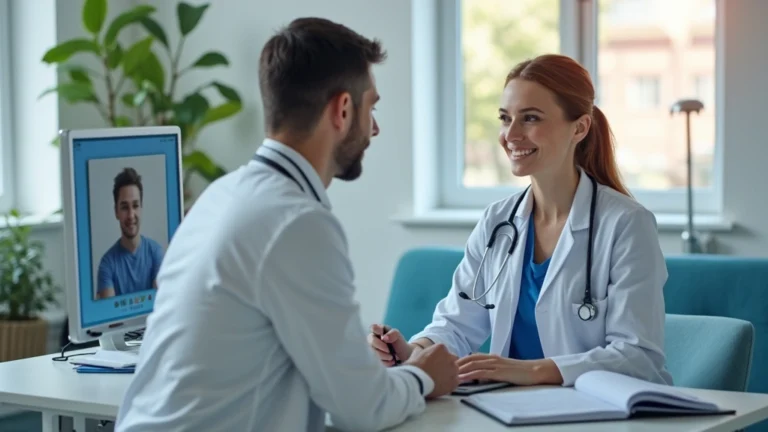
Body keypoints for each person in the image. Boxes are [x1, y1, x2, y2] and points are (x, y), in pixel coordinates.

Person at [114, 17, 459, 432]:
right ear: (343, 109)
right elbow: (363, 410)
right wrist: (423, 376)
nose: (375, 127)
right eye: (372, 107)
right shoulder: (297, 222)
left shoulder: (221, 196)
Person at [368, 54, 673, 388]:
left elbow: (637, 356)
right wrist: (413, 351)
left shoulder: (627, 224)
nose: (510, 134)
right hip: (509, 408)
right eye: (505, 118)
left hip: (597, 411)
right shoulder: (498, 221)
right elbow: (456, 324)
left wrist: (531, 370)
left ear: (580, 127)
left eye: (530, 118)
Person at [96, 167, 164, 299]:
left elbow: (159, 305)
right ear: (116, 211)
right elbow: (111, 317)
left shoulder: (156, 253)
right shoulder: (107, 263)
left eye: (135, 205)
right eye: (124, 207)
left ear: (141, 208)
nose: (131, 215)